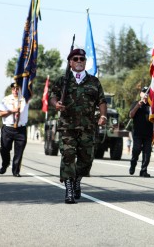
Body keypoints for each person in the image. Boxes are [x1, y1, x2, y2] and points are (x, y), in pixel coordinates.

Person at [50, 48, 107, 204]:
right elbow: (52, 97)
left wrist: (103, 115)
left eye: (82, 59)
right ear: (70, 62)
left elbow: (101, 101)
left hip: (88, 127)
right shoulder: (63, 80)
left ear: (85, 62)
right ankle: (69, 188)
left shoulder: (94, 81)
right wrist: (57, 104)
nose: (79, 61)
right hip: (67, 126)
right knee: (68, 156)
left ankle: (77, 180)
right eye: (75, 59)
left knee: (86, 159)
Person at [0, 82, 29, 177]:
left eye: (17, 88)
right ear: (11, 89)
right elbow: (0, 113)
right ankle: (5, 164)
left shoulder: (25, 100)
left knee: (19, 152)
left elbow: (30, 89)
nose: (15, 90)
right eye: (13, 88)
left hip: (20, 129)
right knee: (4, 149)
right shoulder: (6, 99)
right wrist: (12, 111)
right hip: (8, 128)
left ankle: (16, 171)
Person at [129, 86, 153, 177]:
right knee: (136, 150)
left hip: (148, 133)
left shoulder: (151, 105)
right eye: (144, 92)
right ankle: (133, 163)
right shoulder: (136, 103)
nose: (146, 94)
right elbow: (131, 115)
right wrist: (137, 106)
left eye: (147, 93)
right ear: (140, 94)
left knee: (147, 153)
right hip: (137, 133)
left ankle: (143, 170)